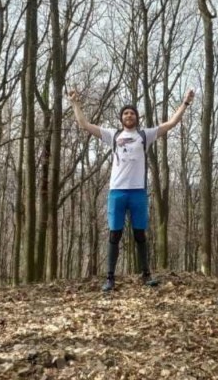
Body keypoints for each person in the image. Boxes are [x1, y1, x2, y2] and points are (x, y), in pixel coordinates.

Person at [68, 88, 195, 292]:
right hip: (117, 192)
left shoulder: (145, 135)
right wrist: (75, 103)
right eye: (126, 113)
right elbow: (85, 124)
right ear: (121, 118)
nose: (129, 115)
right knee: (114, 234)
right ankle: (110, 278)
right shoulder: (113, 135)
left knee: (140, 234)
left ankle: (146, 275)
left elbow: (171, 123)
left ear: (137, 117)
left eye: (132, 113)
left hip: (138, 192)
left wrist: (185, 103)